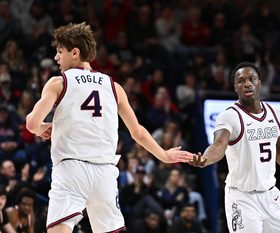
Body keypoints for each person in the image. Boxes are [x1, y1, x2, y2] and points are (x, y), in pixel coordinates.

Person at [25, 22, 194, 233]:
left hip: (71, 167)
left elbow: (31, 123)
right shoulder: (114, 87)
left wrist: (40, 127)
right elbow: (137, 132)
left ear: (75, 52)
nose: (56, 58)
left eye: (60, 52)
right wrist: (164, 155)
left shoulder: (58, 82)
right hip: (104, 171)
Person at [189, 62, 280, 233]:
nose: (246, 83)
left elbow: (278, 146)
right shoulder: (229, 116)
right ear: (235, 87)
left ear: (259, 83)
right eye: (240, 81)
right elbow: (218, 145)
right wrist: (205, 159)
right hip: (242, 197)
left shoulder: (273, 112)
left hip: (270, 196)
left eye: (251, 79)